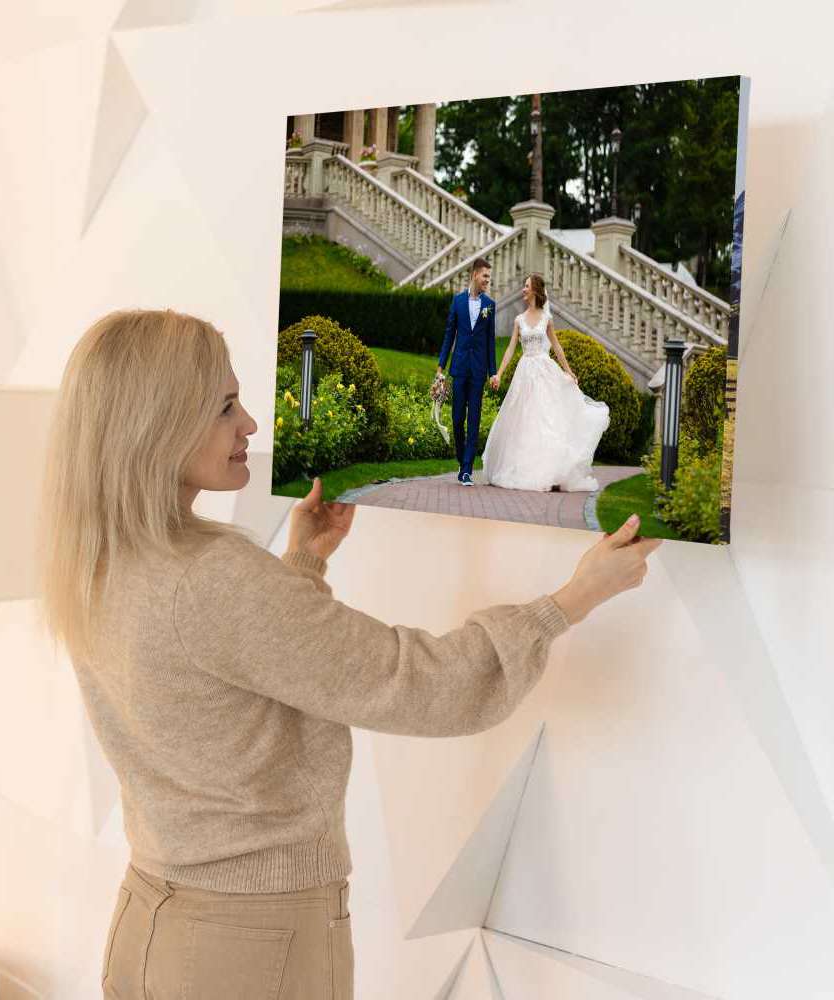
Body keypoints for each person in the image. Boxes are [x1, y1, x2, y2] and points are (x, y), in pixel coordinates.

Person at [38, 308, 661, 1000]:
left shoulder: (102, 555)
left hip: (151, 923)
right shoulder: (209, 578)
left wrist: (300, 566)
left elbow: (230, 675)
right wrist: (571, 600)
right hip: (250, 947)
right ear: (156, 425)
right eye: (224, 406)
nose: (249, 422)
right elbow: (418, 684)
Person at [482, 273, 611, 492]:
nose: (523, 290)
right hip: (525, 372)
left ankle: (551, 471)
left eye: (526, 286)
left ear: (535, 290)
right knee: (524, 419)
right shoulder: (519, 320)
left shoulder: (546, 319)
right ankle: (525, 468)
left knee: (546, 419)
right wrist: (499, 373)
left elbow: (557, 347)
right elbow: (511, 349)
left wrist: (569, 372)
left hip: (544, 370)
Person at [437, 257, 496, 486]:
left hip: (479, 370)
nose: (487, 281)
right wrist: (441, 365)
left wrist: (492, 372)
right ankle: (461, 458)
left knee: (474, 418)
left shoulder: (490, 305)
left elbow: (490, 341)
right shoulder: (457, 302)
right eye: (485, 276)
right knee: (457, 417)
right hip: (459, 368)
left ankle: (467, 469)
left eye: (489, 278)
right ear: (474, 275)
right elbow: (449, 335)